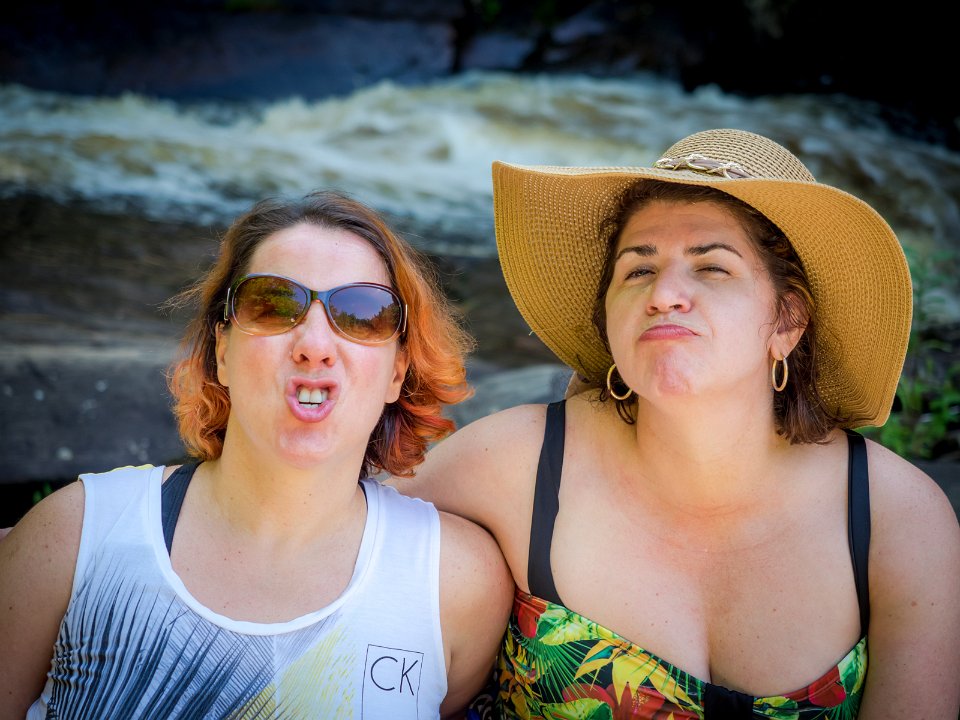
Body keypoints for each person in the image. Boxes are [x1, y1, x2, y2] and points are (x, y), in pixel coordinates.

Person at [395, 128, 960, 718]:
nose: (664, 294)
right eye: (638, 271)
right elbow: (343, 541)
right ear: (608, 318)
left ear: (787, 321)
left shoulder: (896, 519)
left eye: (712, 267)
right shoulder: (518, 464)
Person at [0, 190, 513, 719]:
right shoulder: (75, 537)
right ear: (222, 350)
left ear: (397, 372)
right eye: (273, 305)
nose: (315, 345)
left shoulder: (454, 585)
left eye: (362, 313)